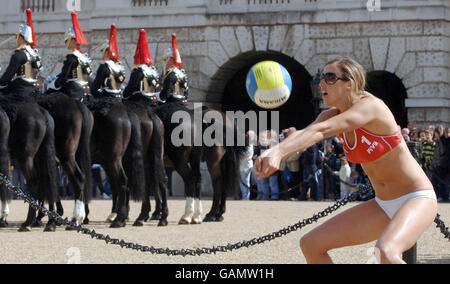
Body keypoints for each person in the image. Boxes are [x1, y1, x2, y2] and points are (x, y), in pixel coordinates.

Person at [254, 56, 437, 264]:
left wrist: (278, 153)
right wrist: (275, 150)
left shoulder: (371, 106)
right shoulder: (331, 115)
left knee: (386, 252)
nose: (322, 83)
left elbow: (321, 131)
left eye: (330, 77)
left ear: (350, 83)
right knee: (311, 245)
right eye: (321, 78)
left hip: (417, 197)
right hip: (383, 204)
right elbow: (308, 132)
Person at [47, 12, 92, 99]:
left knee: (49, 97)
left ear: (73, 40)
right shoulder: (84, 57)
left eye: (66, 40)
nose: (65, 43)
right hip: (85, 89)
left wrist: (53, 84)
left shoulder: (71, 57)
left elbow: (64, 76)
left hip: (73, 90)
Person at [0, 9, 41, 96]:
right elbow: (40, 68)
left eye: (17, 36)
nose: (16, 39)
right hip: (33, 88)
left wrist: (1, 82)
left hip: (20, 88)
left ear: (22, 38)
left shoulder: (19, 54)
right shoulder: (34, 54)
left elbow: (9, 73)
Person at [122, 29, 159, 105]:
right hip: (152, 101)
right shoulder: (153, 70)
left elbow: (130, 88)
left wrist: (124, 94)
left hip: (139, 101)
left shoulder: (138, 71)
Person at [90, 24, 126, 99]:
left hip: (107, 98)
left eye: (102, 51)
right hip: (119, 97)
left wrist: (93, 93)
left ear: (106, 52)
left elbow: (96, 86)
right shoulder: (119, 66)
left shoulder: (104, 66)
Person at [157, 33, 189, 106]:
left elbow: (165, 95)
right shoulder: (182, 73)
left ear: (171, 59)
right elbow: (186, 91)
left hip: (171, 103)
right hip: (182, 103)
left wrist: (156, 95)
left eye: (166, 59)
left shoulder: (170, 73)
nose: (165, 61)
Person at [239, 130, 256, 200]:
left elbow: (245, 155)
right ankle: (243, 195)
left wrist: (238, 156)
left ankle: (246, 196)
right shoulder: (244, 144)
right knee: (241, 183)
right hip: (241, 165)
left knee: (246, 182)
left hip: (246, 166)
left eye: (247, 135)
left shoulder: (249, 144)